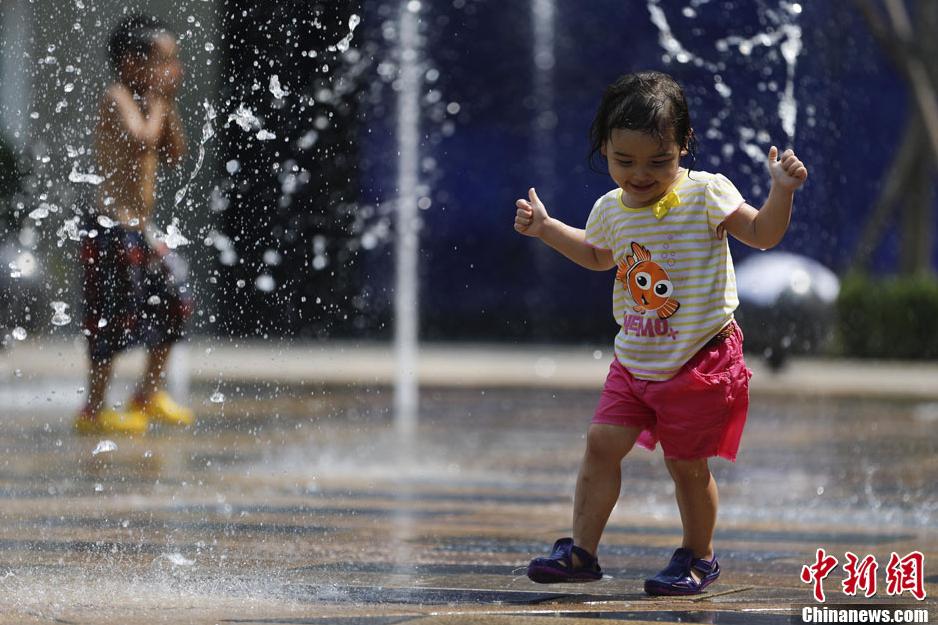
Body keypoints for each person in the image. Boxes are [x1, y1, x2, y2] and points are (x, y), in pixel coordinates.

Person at [514, 71, 807, 595]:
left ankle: (699, 555)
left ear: (683, 146)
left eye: (658, 160)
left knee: (686, 465)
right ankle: (582, 551)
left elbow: (763, 233)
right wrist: (546, 228)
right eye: (624, 161)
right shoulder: (611, 207)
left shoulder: (707, 194)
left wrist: (780, 192)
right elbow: (598, 255)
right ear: (604, 148)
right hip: (635, 357)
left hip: (701, 356)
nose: (640, 175)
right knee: (602, 443)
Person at [74, 15, 193, 435]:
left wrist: (165, 103)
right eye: (165, 61)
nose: (173, 69)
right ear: (131, 63)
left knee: (176, 298)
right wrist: (159, 102)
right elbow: (141, 138)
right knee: (111, 314)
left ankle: (147, 392)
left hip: (140, 227)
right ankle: (92, 408)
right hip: (109, 226)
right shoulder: (117, 96)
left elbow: (174, 151)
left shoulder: (151, 102)